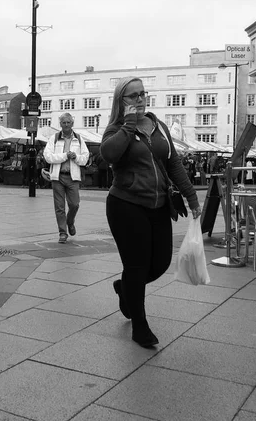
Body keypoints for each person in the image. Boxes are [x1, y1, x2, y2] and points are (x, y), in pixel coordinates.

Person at [100, 76, 201, 349]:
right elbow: (108, 155)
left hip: (159, 205)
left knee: (160, 263)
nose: (140, 99)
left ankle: (126, 289)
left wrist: (191, 196)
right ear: (121, 101)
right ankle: (140, 326)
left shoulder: (158, 125)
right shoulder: (115, 129)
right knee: (136, 265)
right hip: (126, 205)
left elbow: (174, 164)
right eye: (133, 95)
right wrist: (128, 125)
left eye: (143, 93)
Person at [43, 112, 90, 243]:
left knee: (74, 204)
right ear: (60, 124)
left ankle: (70, 222)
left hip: (73, 177)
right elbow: (48, 156)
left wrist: (76, 157)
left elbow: (85, 158)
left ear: (72, 124)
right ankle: (62, 233)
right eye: (64, 123)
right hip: (58, 177)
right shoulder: (54, 138)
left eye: (68, 122)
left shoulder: (79, 139)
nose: (66, 125)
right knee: (59, 207)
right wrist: (65, 156)